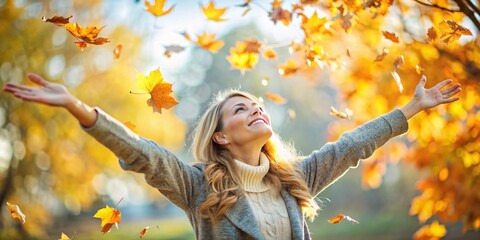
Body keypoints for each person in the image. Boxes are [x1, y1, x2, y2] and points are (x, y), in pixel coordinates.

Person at [3, 73, 461, 239]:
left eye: (255, 104)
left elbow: (352, 146)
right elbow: (143, 153)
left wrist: (413, 108)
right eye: (241, 108)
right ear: (221, 137)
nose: (256, 108)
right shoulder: (200, 187)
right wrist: (79, 108)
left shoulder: (294, 178)